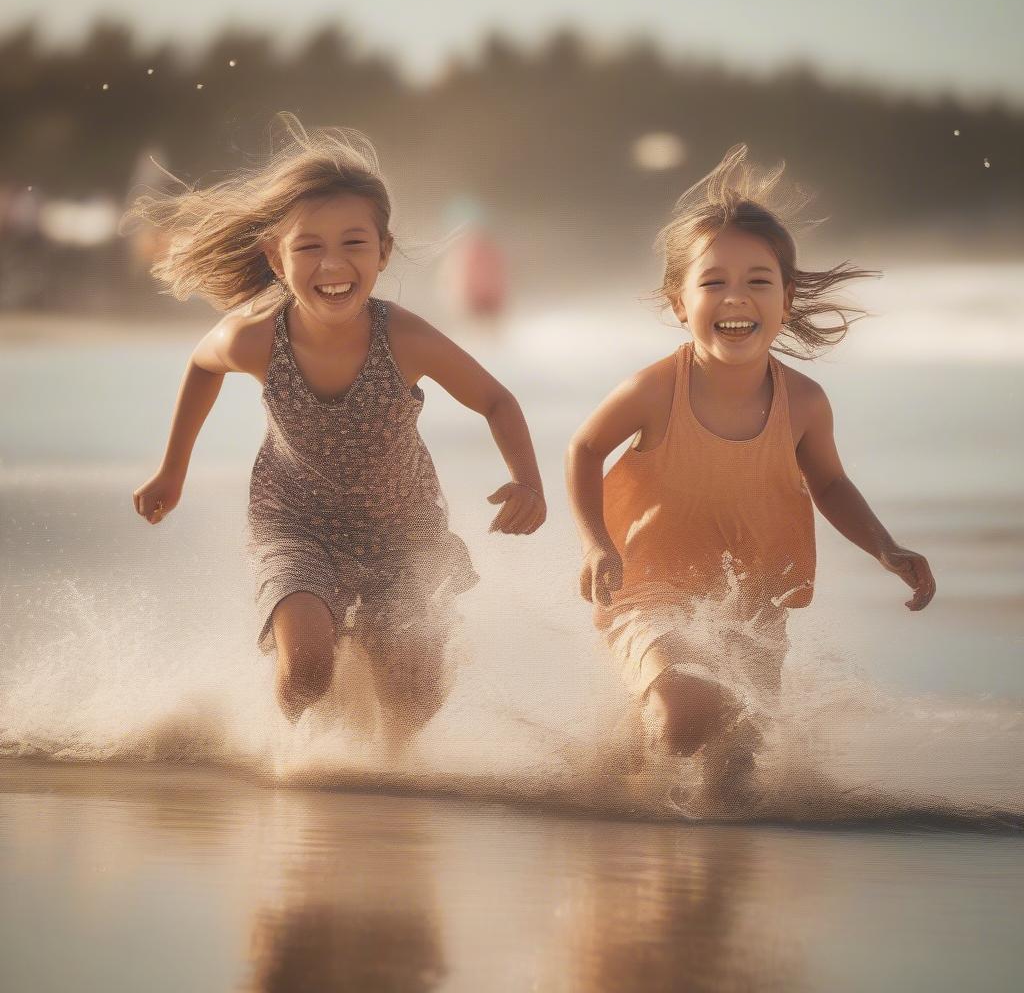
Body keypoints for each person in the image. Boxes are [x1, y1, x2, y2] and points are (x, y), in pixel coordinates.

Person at [131, 115, 546, 752]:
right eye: (309, 247)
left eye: (354, 243)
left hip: (403, 529)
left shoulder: (403, 337)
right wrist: (172, 471)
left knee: (411, 687)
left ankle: (389, 771)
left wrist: (528, 482)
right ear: (276, 256)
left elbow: (496, 399)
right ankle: (295, 769)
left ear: (382, 251)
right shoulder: (255, 336)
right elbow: (200, 366)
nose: (333, 264)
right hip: (293, 524)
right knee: (307, 670)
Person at [565, 145, 935, 811]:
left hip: (752, 607)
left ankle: (667, 828)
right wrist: (596, 542)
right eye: (713, 282)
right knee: (683, 717)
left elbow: (831, 486)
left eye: (758, 280)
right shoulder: (655, 391)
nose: (736, 297)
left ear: (786, 299)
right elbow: (585, 449)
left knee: (734, 775)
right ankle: (624, 785)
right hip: (647, 592)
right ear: (680, 301)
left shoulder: (805, 403)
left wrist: (886, 546)